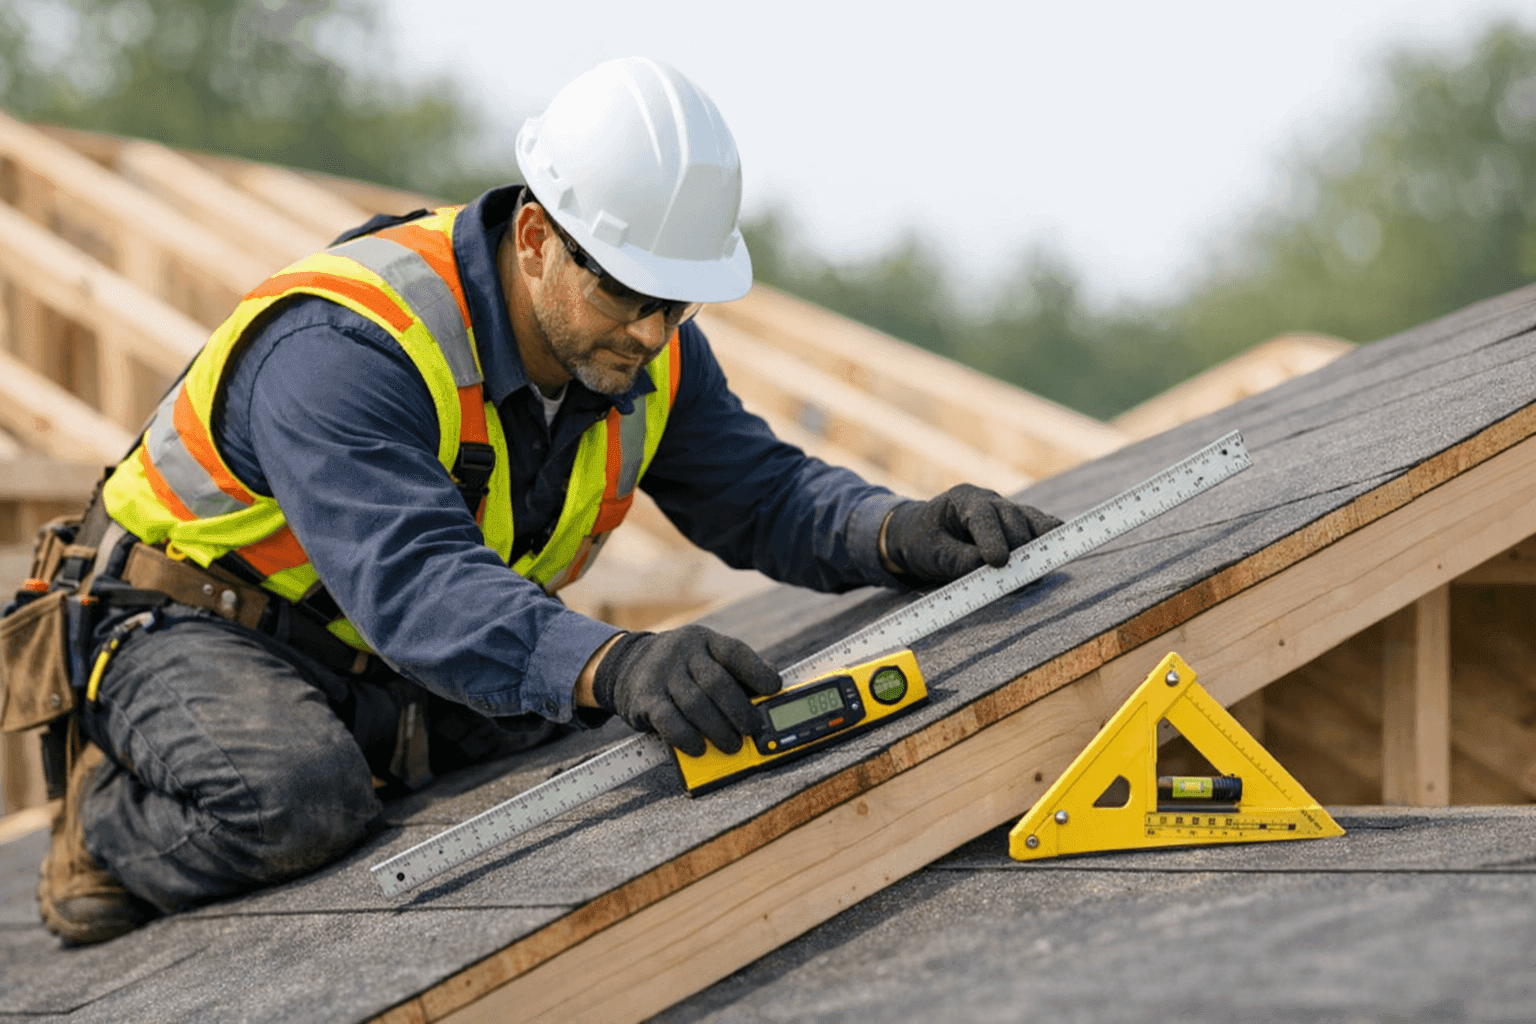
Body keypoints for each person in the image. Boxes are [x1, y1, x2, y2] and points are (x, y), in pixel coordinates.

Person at [25, 57, 1060, 945]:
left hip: (364, 650)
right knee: (299, 799)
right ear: (533, 238)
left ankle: (373, 740)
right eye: (625, 291)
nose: (652, 332)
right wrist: (615, 662)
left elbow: (764, 492)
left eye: (676, 301)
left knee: (567, 737)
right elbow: (419, 586)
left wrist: (897, 530)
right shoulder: (347, 345)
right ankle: (106, 825)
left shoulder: (646, 349)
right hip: (187, 624)